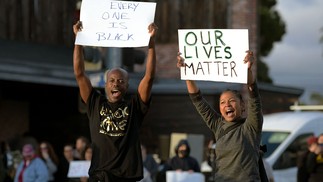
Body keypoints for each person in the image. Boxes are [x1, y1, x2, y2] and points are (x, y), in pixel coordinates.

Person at [73, 20, 158, 182]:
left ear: (127, 85)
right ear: (106, 85)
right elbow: (79, 73)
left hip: (126, 177)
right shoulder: (95, 103)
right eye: (112, 80)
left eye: (120, 81)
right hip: (99, 176)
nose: (116, 84)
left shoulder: (135, 106)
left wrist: (151, 42)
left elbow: (149, 77)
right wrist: (78, 40)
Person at [177, 50, 263, 181]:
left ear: (243, 106)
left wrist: (248, 71)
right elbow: (197, 100)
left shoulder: (251, 127)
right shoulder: (218, 125)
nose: (227, 105)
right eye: (222, 102)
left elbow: (254, 97)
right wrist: (186, 73)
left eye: (232, 101)